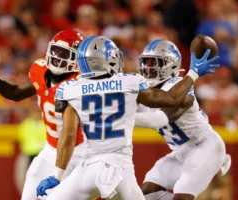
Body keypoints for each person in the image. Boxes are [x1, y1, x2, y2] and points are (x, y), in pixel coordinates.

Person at [36, 36, 219, 200]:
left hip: (87, 169)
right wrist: (193, 73)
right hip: (119, 169)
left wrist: (56, 176)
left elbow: (68, 136)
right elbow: (171, 99)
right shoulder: (128, 82)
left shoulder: (69, 89)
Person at [0, 29, 85, 200]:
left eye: (65, 54)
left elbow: (69, 134)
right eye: (56, 51)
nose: (58, 57)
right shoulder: (40, 70)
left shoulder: (79, 84)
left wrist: (58, 175)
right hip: (50, 147)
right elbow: (16, 93)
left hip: (76, 151)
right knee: (30, 192)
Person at [135, 39, 230, 200]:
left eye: (154, 62)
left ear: (171, 65)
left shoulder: (180, 87)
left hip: (205, 146)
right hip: (181, 151)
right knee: (147, 193)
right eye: (145, 62)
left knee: (182, 194)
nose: (148, 68)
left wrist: (123, 118)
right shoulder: (144, 90)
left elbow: (158, 119)